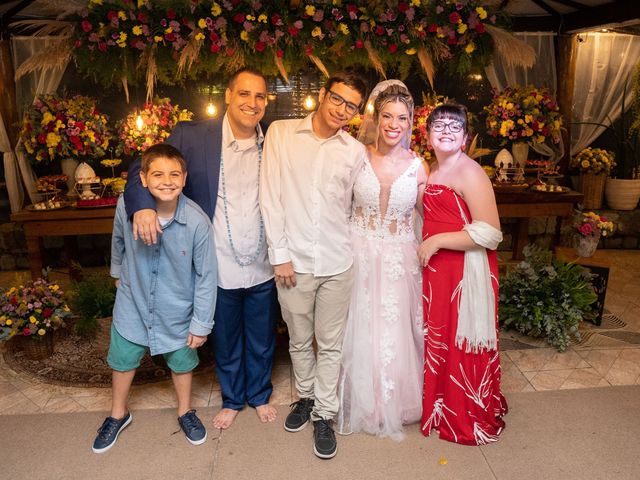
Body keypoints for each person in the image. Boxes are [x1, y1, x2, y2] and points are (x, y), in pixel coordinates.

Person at [123, 68, 278, 430]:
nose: (251, 103)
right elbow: (138, 169)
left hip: (263, 260)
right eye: (244, 94)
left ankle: (259, 395)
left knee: (261, 335)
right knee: (225, 336)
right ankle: (233, 399)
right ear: (227, 96)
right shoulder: (193, 135)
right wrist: (141, 205)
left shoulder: (274, 140)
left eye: (259, 96)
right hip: (214, 262)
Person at [260, 72, 368, 459]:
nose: (342, 110)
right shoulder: (281, 134)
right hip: (295, 263)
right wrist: (280, 255)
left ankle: (324, 413)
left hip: (339, 262)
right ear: (322, 95)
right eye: (337, 100)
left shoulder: (354, 151)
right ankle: (305, 397)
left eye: (351, 106)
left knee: (331, 344)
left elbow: (354, 206)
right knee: (300, 339)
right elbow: (269, 196)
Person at [92, 144, 217, 453]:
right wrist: (118, 271)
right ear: (143, 179)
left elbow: (206, 277)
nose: (167, 180)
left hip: (176, 308)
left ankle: (185, 410)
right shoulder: (127, 206)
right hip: (132, 303)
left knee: (182, 362)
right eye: (158, 174)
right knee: (122, 359)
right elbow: (119, 239)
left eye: (175, 174)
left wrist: (201, 323)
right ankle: (118, 413)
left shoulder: (198, 222)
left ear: (185, 179)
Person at [336, 80, 427, 441]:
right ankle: (362, 399)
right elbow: (337, 203)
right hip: (359, 251)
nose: (393, 124)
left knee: (396, 329)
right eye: (387, 115)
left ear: (409, 123)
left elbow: (431, 215)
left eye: (401, 118)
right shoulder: (357, 156)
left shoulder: (419, 166)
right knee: (361, 325)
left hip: (401, 257)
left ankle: (399, 401)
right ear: (376, 117)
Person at [418, 103, 508, 445]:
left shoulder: (470, 171)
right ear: (427, 135)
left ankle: (465, 412)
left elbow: (491, 232)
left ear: (466, 137)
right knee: (440, 339)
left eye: (455, 127)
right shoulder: (432, 169)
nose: (445, 131)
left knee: (461, 339)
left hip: (464, 271)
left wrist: (438, 240)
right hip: (439, 272)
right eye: (438, 125)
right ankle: (441, 406)